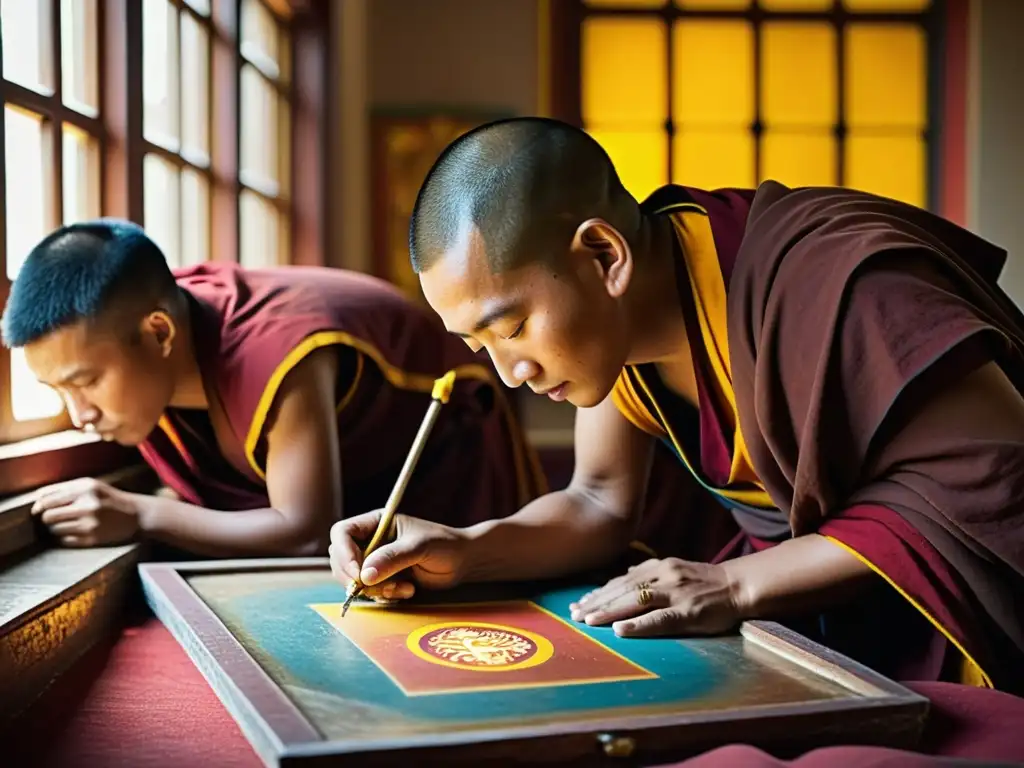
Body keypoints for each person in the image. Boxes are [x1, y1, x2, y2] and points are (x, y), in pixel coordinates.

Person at [328, 116, 1024, 694]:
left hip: (960, 637)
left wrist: (739, 583)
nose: (509, 373)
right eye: (477, 344)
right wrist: (468, 550)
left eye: (510, 329)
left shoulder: (835, 276)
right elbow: (598, 502)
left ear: (604, 256)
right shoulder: (622, 330)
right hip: (814, 635)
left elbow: (999, 467)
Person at [1, 219, 545, 558]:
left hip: (451, 458)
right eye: (56, 390)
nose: (79, 416)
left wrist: (144, 514)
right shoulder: (161, 325)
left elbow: (306, 530)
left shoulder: (278, 350)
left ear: (159, 332)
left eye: (86, 383)